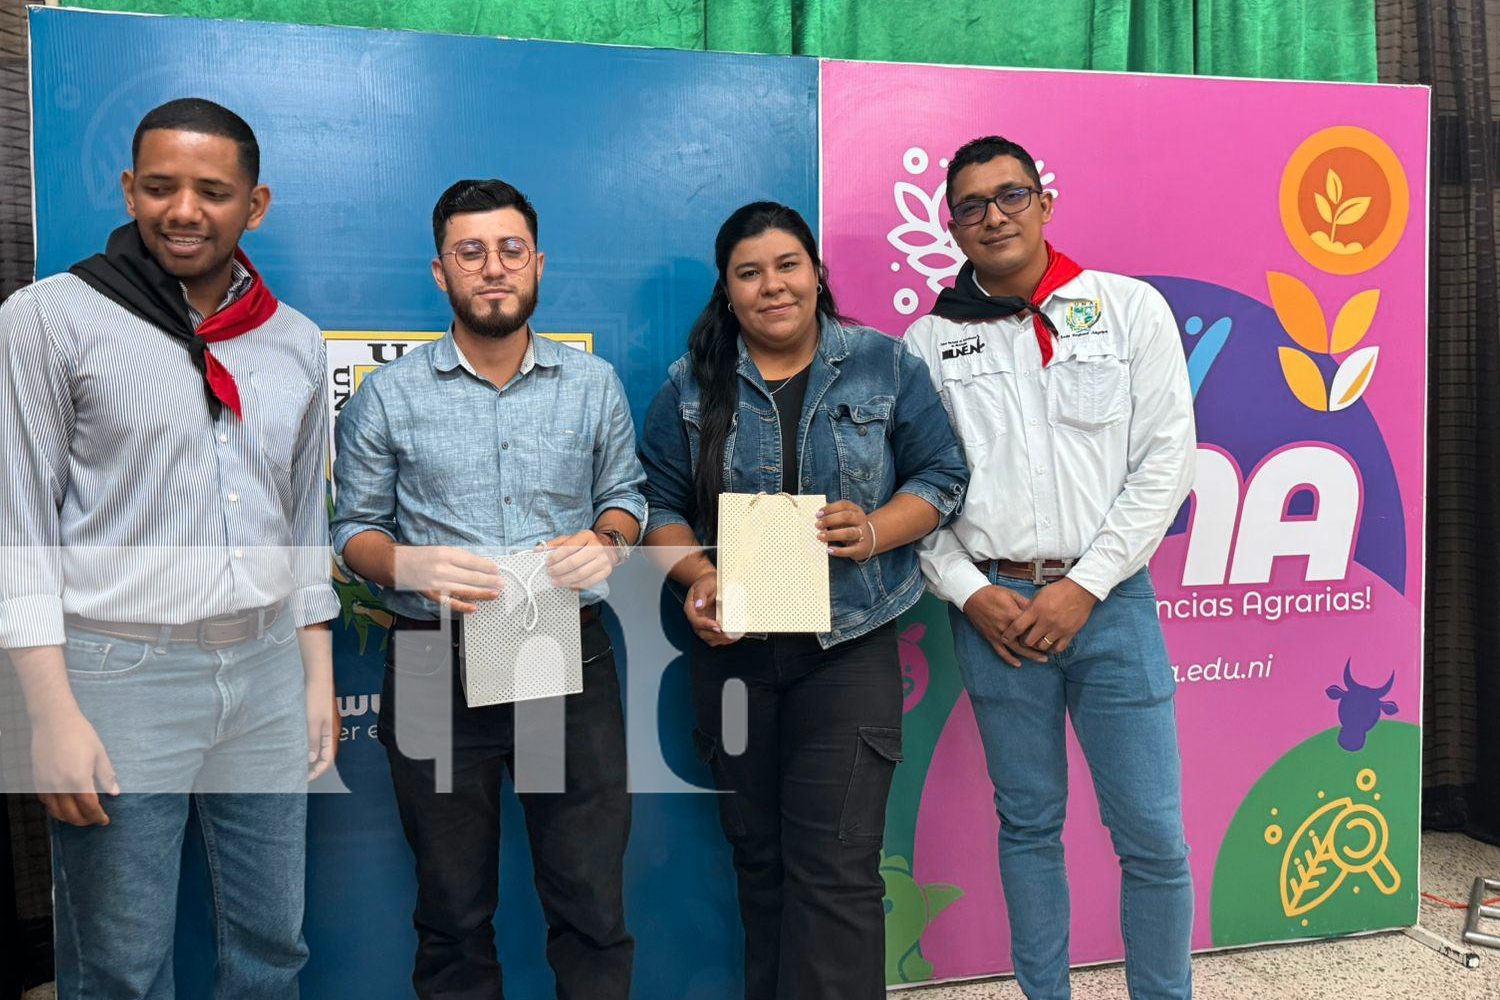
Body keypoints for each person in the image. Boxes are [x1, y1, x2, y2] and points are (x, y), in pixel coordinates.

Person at [0, 98, 338, 999]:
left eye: (212, 192)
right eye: (160, 187)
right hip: (115, 674)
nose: (183, 210)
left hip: (265, 669)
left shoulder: (295, 341)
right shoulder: (48, 319)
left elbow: (302, 523)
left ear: (253, 205)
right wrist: (48, 715)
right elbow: (19, 528)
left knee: (273, 946)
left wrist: (312, 676)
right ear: (129, 189)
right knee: (119, 963)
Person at [639, 201, 968, 1000]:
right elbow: (657, 506)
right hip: (735, 658)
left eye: (787, 265)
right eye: (749, 273)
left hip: (847, 651)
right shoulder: (691, 383)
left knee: (839, 867)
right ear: (728, 291)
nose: (772, 286)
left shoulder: (884, 365)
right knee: (759, 863)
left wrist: (879, 527)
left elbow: (943, 477)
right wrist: (697, 580)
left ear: (816, 273)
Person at [331, 178, 644, 1000]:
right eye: (471, 252)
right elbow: (351, 529)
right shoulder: (387, 397)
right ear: (441, 272)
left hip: (556, 645)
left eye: (510, 250)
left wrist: (609, 539)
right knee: (452, 905)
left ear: (538, 262)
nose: (493, 268)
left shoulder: (593, 384)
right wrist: (400, 565)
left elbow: (628, 496)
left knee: (588, 895)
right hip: (436, 662)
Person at [904, 135, 1197, 1000]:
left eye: (1011, 195)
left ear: (1045, 202)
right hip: (993, 616)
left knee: (1154, 836)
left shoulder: (1128, 309)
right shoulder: (924, 343)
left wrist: (1085, 585)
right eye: (971, 205)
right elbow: (913, 488)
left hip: (1111, 604)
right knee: (1028, 826)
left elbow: (1166, 463)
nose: (994, 215)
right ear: (950, 225)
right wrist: (971, 591)